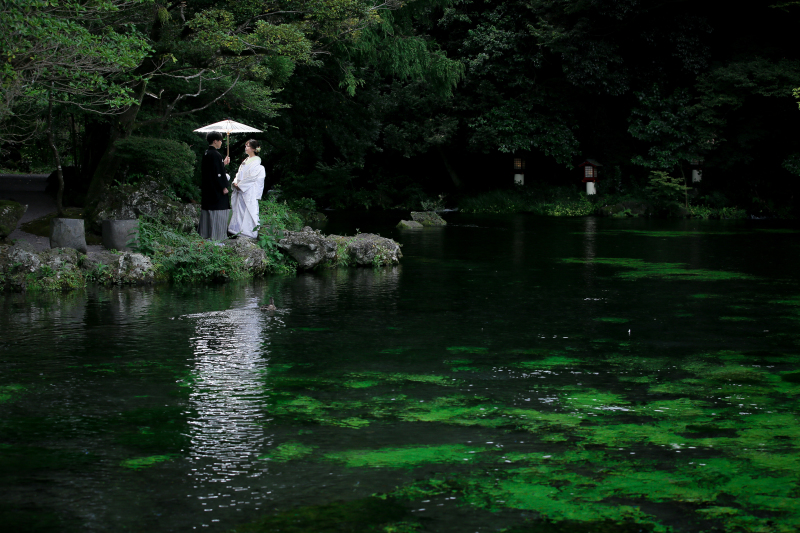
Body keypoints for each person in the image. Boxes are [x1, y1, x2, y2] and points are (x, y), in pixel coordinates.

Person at [228, 139, 265, 239]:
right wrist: (235, 182)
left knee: (248, 210)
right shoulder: (246, 161)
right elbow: (239, 174)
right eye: (246, 146)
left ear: (253, 149)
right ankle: (236, 230)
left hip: (249, 190)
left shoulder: (257, 164)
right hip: (241, 189)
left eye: (248, 146)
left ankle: (248, 233)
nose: (246, 148)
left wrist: (240, 185)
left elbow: (252, 177)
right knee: (239, 210)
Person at [199, 131, 231, 240]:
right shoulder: (216, 155)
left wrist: (223, 163)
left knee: (207, 211)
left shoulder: (206, 153)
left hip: (208, 188)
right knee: (219, 212)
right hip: (216, 190)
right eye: (220, 140)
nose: (221, 142)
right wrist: (224, 187)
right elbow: (218, 173)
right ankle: (217, 238)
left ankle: (205, 235)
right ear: (215, 141)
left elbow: (212, 169)